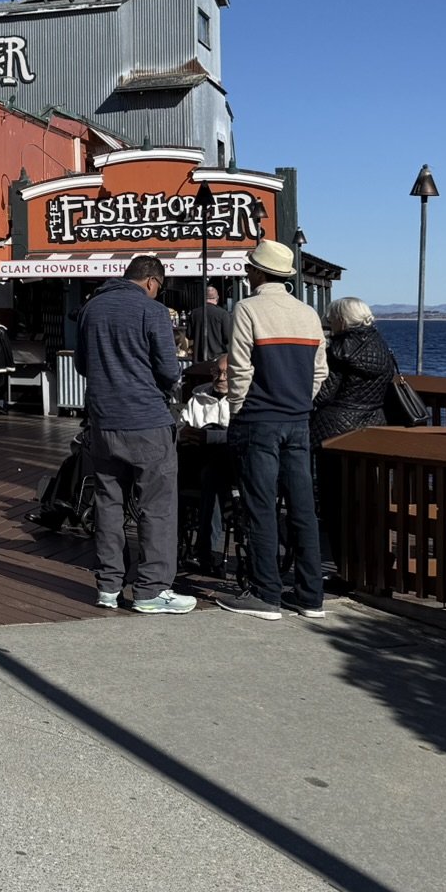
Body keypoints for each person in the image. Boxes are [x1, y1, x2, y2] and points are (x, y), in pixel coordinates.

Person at [74, 255, 196, 614]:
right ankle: (151, 589)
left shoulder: (90, 309)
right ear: (151, 282)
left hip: (102, 421)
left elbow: (82, 365)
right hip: (146, 421)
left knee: (108, 504)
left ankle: (109, 587)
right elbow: (169, 369)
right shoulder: (152, 311)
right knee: (155, 507)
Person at [220, 239, 329, 621]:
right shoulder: (309, 314)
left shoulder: (248, 309)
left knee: (260, 506)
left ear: (258, 272)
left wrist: (238, 411)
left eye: (250, 267)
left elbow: (240, 369)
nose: (247, 272)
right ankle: (310, 596)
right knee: (302, 509)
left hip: (259, 420)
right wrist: (300, 400)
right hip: (298, 420)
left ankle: (266, 594)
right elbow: (320, 371)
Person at [312, 297, 396, 448]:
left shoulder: (340, 352)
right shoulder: (381, 345)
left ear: (342, 321)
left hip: (335, 426)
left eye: (331, 320)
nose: (330, 325)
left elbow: (323, 396)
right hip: (374, 420)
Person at [188, 284, 232, 364]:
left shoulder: (194, 313)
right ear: (217, 298)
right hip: (218, 359)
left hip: (198, 359)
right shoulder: (223, 314)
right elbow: (227, 337)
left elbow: (189, 335)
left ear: (203, 298)